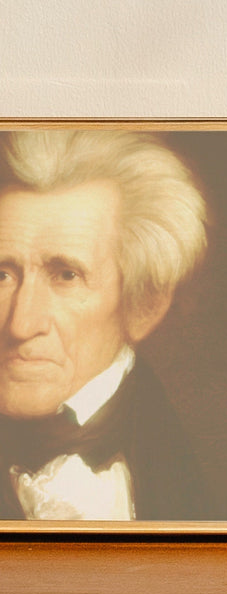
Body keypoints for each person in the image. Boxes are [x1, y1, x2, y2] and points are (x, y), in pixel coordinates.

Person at [0, 130, 212, 521]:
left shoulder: (196, 468)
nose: (20, 324)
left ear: (143, 306)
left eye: (66, 275)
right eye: (3, 275)